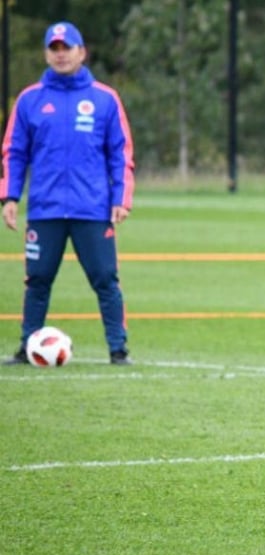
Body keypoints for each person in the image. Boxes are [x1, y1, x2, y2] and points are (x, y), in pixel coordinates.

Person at [1, 22, 134, 366]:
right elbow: (14, 152)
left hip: (92, 209)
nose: (60, 55)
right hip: (45, 210)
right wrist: (10, 196)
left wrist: (121, 197)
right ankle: (27, 346)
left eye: (67, 48)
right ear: (46, 54)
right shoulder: (30, 100)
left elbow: (121, 153)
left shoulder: (105, 99)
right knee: (38, 280)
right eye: (54, 49)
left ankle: (118, 350)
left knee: (105, 279)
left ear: (81, 52)